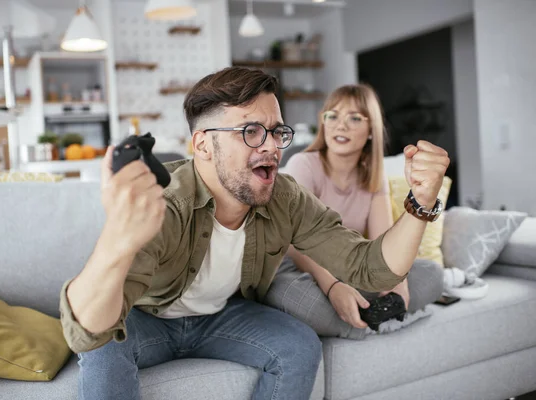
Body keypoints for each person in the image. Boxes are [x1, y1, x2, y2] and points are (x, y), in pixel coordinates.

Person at [59, 67, 450, 400]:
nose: (271, 147)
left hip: (221, 316)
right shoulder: (167, 206)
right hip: (149, 317)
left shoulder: (285, 198)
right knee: (104, 349)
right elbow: (88, 330)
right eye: (250, 131)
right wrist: (118, 238)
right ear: (203, 145)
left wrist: (421, 202)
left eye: (276, 132)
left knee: (298, 345)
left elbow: (373, 271)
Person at [265, 84, 444, 340]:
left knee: (433, 276)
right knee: (314, 307)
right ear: (324, 123)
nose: (341, 125)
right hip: (298, 268)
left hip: (350, 267)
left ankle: (361, 317)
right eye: (333, 116)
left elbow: (384, 244)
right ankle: (380, 319)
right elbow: (294, 245)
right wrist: (333, 287)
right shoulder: (303, 165)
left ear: (371, 130)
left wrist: (397, 283)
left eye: (354, 118)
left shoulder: (373, 176)